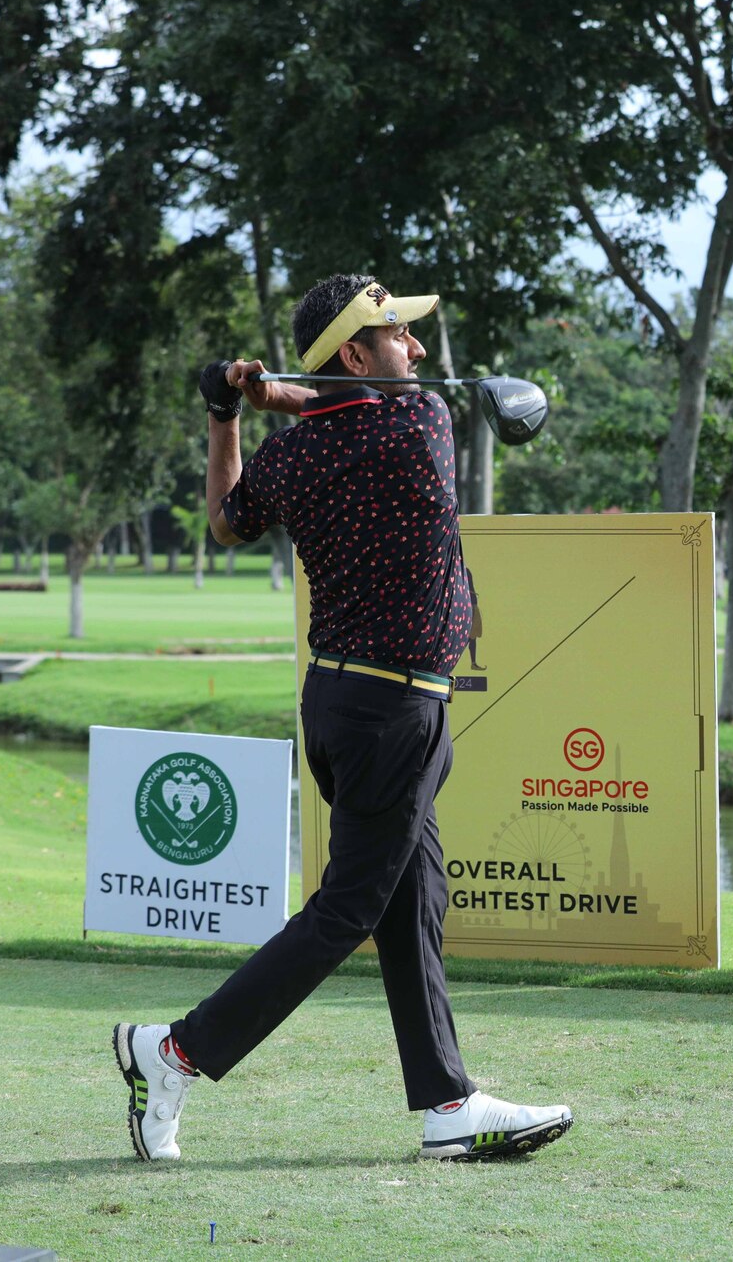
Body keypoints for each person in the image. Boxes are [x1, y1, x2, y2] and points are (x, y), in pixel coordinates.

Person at [113, 273, 573, 1163]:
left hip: (343, 701)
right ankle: (175, 1051)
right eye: (399, 333)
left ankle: (447, 1104)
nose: (421, 349)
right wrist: (275, 392)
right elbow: (341, 406)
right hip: (394, 709)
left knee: (414, 896)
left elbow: (224, 519)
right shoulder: (417, 426)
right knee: (349, 906)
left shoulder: (292, 454)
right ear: (358, 356)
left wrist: (229, 413)